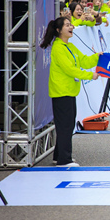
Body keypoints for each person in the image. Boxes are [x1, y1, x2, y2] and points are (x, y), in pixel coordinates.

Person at [39, 17, 101, 167]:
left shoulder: (70, 46)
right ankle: (64, 160)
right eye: (67, 25)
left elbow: (84, 61)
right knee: (65, 126)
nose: (71, 27)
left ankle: (59, 156)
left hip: (70, 91)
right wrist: (89, 75)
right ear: (59, 30)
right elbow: (70, 69)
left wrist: (97, 58)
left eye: (71, 24)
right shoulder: (58, 48)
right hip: (61, 92)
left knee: (67, 124)